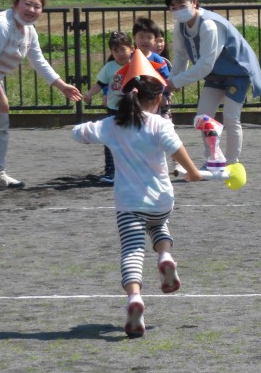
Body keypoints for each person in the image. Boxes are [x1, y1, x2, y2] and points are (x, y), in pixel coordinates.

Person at [71, 54, 202, 339]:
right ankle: (165, 255)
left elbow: (77, 133)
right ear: (157, 99)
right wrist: (193, 172)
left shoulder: (111, 125)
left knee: (132, 250)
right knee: (159, 224)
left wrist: (85, 127)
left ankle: (134, 298)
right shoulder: (160, 124)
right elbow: (176, 149)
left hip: (129, 203)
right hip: (161, 199)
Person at [0, 0, 82, 191]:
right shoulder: (1, 25)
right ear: (16, 4)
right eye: (27, 4)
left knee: (0, 127)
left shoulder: (28, 30)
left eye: (37, 6)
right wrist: (1, 96)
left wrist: (62, 86)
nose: (32, 10)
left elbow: (38, 61)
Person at [163, 0, 261, 166]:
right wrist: (172, 81)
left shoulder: (209, 25)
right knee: (203, 117)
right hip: (215, 75)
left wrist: (175, 82)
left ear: (194, 3)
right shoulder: (179, 26)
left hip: (237, 73)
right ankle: (214, 159)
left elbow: (205, 64)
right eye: (173, 8)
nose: (178, 10)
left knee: (231, 117)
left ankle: (232, 163)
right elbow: (180, 56)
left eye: (182, 5)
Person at [83, 32, 135, 184]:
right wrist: (89, 94)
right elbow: (100, 84)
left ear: (132, 48)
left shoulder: (137, 64)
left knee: (132, 140)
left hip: (134, 109)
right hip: (114, 109)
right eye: (115, 51)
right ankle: (111, 172)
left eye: (123, 49)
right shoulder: (110, 67)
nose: (120, 54)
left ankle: (132, 171)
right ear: (111, 52)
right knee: (111, 140)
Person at [132, 17, 172, 121]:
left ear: (155, 40)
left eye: (149, 37)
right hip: (134, 99)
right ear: (134, 38)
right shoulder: (130, 59)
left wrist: (164, 94)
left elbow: (166, 79)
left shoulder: (158, 60)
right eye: (141, 37)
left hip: (155, 99)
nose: (145, 40)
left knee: (156, 123)